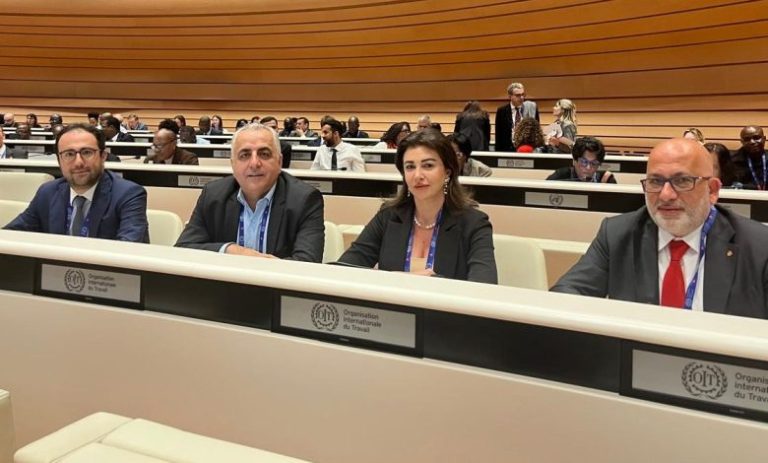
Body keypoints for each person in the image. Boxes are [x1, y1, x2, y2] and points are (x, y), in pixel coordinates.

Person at [551, 138, 768, 319]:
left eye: (682, 181)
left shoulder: (759, 247)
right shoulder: (617, 234)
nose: (666, 195)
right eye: (655, 182)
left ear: (712, 190)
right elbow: (564, 296)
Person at [338, 129, 497, 283]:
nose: (417, 175)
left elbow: (484, 287)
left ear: (447, 172)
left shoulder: (474, 223)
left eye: (428, 166)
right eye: (410, 167)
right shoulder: (388, 216)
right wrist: (402, 279)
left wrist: (432, 282)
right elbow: (343, 270)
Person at [175, 123, 325, 262]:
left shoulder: (304, 199)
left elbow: (307, 264)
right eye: (245, 155)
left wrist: (261, 267)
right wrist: (230, 250)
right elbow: (183, 248)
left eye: (264, 154)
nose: (254, 163)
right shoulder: (213, 195)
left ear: (279, 162)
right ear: (233, 164)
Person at [3, 124, 149, 242]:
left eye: (87, 152)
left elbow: (128, 249)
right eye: (69, 154)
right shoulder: (47, 192)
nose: (78, 162)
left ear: (103, 156)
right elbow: (11, 234)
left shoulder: (128, 194)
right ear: (59, 161)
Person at [546, 136, 615, 183]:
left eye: (594, 163)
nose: (588, 167)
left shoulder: (606, 179)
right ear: (574, 161)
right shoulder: (561, 176)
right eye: (584, 162)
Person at [495, 82, 539, 152]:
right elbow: (498, 135)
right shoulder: (501, 111)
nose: (521, 97)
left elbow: (537, 132)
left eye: (523, 94)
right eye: (518, 95)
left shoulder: (531, 109)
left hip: (526, 150)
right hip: (507, 150)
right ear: (510, 96)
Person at [732, 125, 766, 190]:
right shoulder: (733, 161)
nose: (752, 142)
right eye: (747, 139)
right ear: (742, 142)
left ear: (764, 139)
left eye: (756, 138)